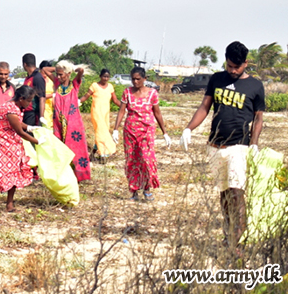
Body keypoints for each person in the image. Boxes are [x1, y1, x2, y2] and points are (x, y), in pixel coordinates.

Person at [180, 41, 264, 249]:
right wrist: (188, 128)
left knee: (237, 192)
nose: (233, 71)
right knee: (225, 194)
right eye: (230, 66)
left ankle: (237, 244)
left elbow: (259, 118)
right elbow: (204, 106)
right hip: (215, 146)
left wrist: (253, 144)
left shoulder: (255, 86)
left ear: (246, 63)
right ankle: (228, 235)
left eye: (237, 67)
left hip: (240, 147)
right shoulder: (217, 79)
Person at [112, 67, 171, 201]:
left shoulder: (152, 93)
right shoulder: (127, 92)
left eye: (138, 79)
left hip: (147, 131)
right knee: (131, 159)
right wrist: (115, 129)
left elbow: (157, 113)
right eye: (133, 79)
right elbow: (121, 111)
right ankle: (133, 190)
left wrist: (165, 132)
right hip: (130, 131)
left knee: (146, 159)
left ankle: (147, 188)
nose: (135, 81)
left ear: (145, 79)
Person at [0, 86, 43, 212]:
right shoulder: (10, 108)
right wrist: (37, 141)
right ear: (21, 98)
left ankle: (9, 204)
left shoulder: (14, 107)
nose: (29, 104)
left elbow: (17, 123)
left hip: (10, 140)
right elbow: (19, 131)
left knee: (14, 169)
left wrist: (29, 127)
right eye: (28, 100)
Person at [42, 60, 90, 182]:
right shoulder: (57, 83)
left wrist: (71, 68)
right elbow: (45, 70)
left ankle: (78, 175)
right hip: (58, 122)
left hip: (73, 123)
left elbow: (81, 71)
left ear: (68, 74)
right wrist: (59, 67)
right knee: (60, 148)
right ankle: (63, 175)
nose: (58, 76)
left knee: (74, 147)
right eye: (57, 74)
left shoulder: (74, 84)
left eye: (61, 74)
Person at [79, 69, 121, 160]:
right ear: (100, 76)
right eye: (104, 76)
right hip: (96, 112)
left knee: (102, 132)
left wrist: (125, 106)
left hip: (106, 113)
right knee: (101, 131)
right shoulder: (94, 86)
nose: (105, 78)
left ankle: (93, 152)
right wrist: (77, 102)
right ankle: (103, 154)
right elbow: (86, 96)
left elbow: (115, 100)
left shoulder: (110, 87)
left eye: (107, 77)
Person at [21, 53, 47, 128]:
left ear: (24, 64)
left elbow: (42, 97)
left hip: (33, 114)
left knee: (32, 136)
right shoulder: (28, 77)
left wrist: (41, 116)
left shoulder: (37, 77)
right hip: (26, 112)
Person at [40, 60, 55, 129]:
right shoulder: (39, 80)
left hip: (51, 107)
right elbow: (40, 95)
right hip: (43, 107)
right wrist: (52, 95)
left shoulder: (51, 81)